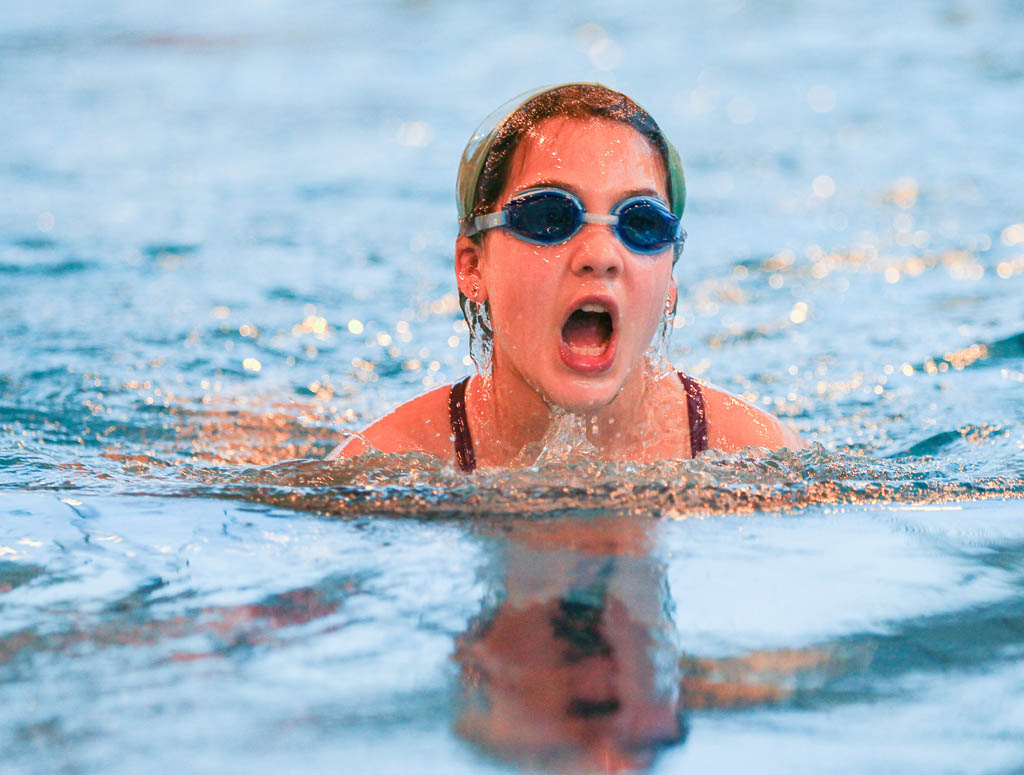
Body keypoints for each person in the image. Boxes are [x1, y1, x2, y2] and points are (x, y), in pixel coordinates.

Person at [329, 83, 802, 470]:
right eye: (549, 217)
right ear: (473, 266)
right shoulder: (380, 467)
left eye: (641, 224)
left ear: (669, 283)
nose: (600, 256)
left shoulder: (758, 457)